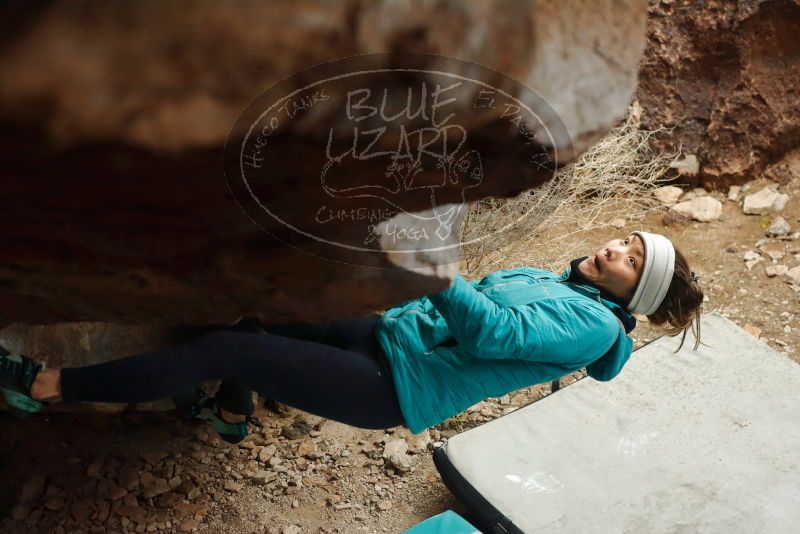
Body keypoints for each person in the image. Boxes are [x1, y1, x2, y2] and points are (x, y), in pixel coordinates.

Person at [0, 231, 704, 443]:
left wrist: (433, 266)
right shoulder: (566, 284)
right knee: (260, 311)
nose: (616, 251)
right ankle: (231, 413)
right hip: (388, 337)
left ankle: (46, 386)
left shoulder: (588, 327)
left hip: (392, 384)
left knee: (230, 349)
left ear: (629, 295)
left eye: (632, 263)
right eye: (627, 241)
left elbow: (492, 333)